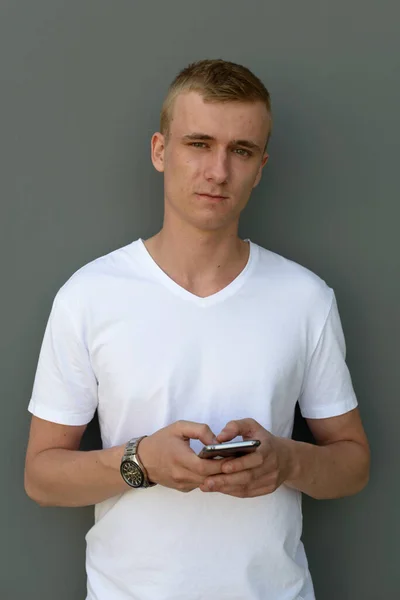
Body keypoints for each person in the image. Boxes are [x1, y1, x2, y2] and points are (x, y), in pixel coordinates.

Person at [24, 59, 370, 600]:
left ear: (260, 167)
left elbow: (352, 464)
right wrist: (142, 462)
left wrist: (286, 461)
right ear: (160, 151)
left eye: (241, 151)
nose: (218, 171)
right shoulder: (88, 296)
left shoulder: (306, 298)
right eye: (199, 144)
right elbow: (40, 477)